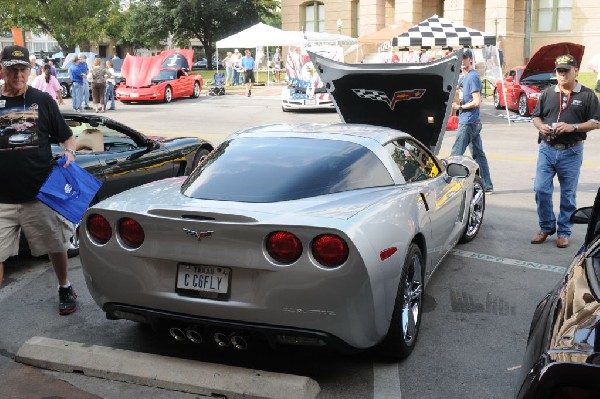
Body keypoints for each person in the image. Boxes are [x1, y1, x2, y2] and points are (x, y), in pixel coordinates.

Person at [0, 45, 78, 315]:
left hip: (39, 193)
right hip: (2, 199)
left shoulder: (43, 101)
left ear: (29, 70)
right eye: (12, 68)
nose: (18, 74)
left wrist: (69, 152)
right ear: (3, 70)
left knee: (56, 245)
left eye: (22, 69)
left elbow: (67, 137)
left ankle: (65, 286)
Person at [530, 54, 600, 248]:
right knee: (540, 188)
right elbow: (536, 117)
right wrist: (541, 126)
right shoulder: (548, 93)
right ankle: (546, 226)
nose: (562, 75)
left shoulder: (586, 95)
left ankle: (563, 231)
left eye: (565, 71)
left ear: (575, 71)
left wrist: (573, 127)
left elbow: (597, 122)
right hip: (547, 148)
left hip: (571, 151)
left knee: (568, 194)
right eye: (559, 71)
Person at [450, 49, 494, 193]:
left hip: (468, 122)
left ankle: (450, 187)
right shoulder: (464, 77)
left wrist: (459, 106)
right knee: (478, 155)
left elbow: (476, 101)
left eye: (465, 58)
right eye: (460, 58)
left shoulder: (472, 77)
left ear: (471, 59)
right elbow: (456, 88)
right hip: (472, 121)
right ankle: (487, 184)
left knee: (455, 155)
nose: (463, 60)